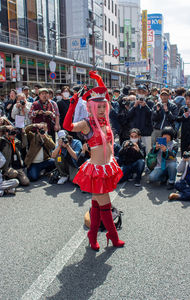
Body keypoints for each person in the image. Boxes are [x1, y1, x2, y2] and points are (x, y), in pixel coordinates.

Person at [63, 70, 124, 250]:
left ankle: (92, 236)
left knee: (97, 206)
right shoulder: (87, 124)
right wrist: (73, 104)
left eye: (103, 106)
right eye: (97, 107)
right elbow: (68, 126)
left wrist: (97, 79)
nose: (102, 109)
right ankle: (113, 237)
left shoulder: (105, 122)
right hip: (96, 171)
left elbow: (104, 93)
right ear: (90, 107)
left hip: (107, 167)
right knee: (105, 205)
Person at [127, 84, 154, 153]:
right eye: (139, 92)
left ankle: (145, 164)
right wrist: (134, 106)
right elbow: (128, 115)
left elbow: (152, 115)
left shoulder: (150, 103)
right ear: (137, 93)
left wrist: (146, 106)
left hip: (146, 131)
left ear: (146, 93)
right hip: (135, 132)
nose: (141, 94)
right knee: (134, 150)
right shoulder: (133, 103)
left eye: (143, 92)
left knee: (147, 150)